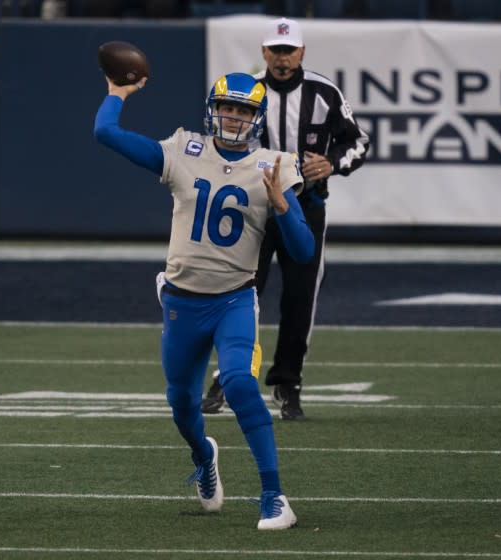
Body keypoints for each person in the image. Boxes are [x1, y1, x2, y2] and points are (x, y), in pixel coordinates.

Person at [93, 71, 314, 530]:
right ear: (213, 109)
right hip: (181, 302)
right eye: (228, 108)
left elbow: (303, 251)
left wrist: (282, 206)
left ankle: (274, 497)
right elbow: (105, 133)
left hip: (233, 299)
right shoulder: (184, 150)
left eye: (244, 110)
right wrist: (117, 94)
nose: (233, 117)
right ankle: (204, 455)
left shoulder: (274, 165)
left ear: (258, 117)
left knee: (237, 383)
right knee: (181, 404)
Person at [201, 17, 370, 420]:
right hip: (253, 210)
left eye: (289, 50)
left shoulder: (324, 92)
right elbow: (219, 142)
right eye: (275, 50)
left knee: (300, 297)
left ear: (302, 52)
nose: (282, 58)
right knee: (241, 294)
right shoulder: (249, 92)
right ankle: (229, 373)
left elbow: (358, 141)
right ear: (264, 52)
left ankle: (288, 382)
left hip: (305, 208)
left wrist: (332, 164)